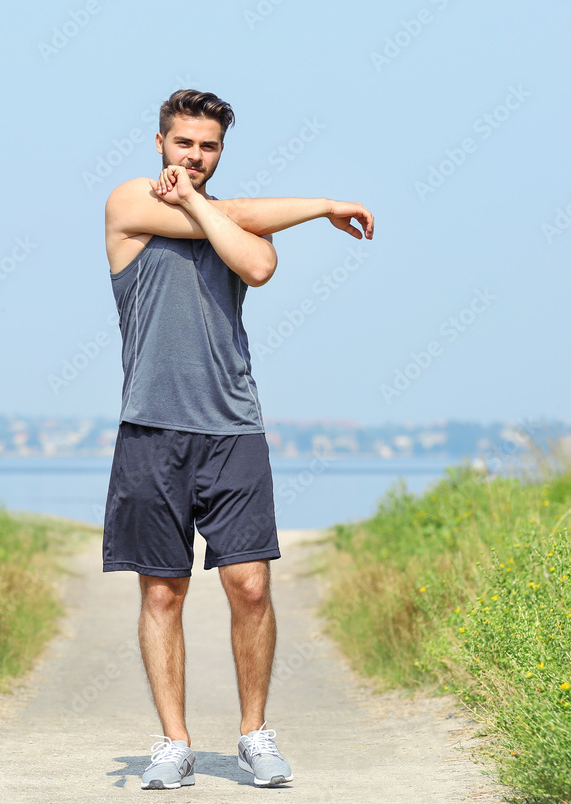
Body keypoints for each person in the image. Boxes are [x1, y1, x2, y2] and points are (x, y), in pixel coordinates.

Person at [102, 88, 374, 790]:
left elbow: (255, 264)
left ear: (221, 152)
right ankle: (174, 742)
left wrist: (198, 204)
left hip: (234, 427)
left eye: (209, 146)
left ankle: (254, 733)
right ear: (159, 142)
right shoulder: (130, 202)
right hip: (152, 427)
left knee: (250, 587)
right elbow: (239, 221)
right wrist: (316, 206)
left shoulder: (239, 225)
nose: (194, 156)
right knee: (162, 593)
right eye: (184, 143)